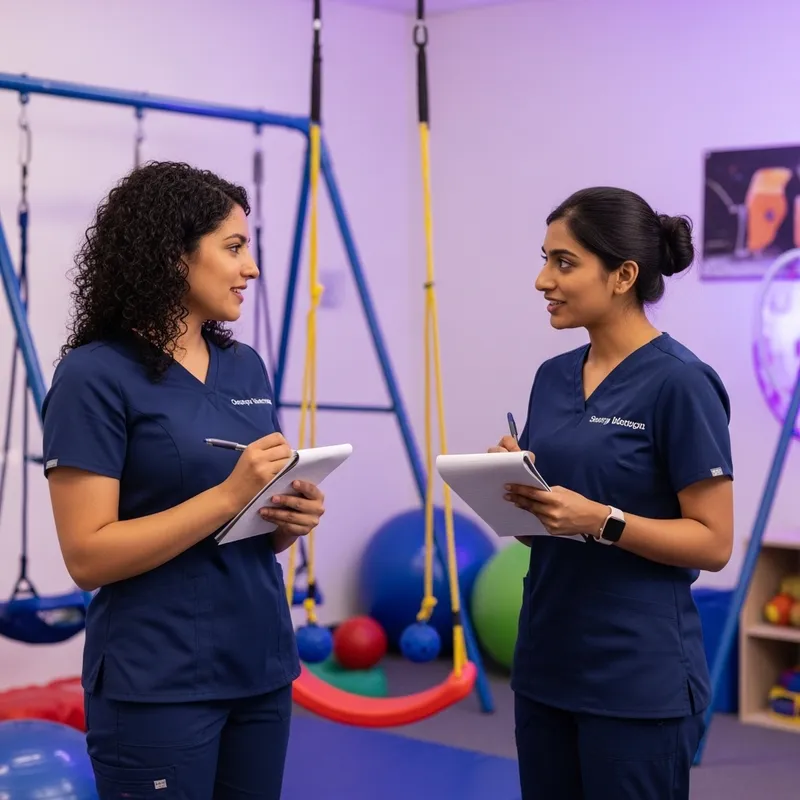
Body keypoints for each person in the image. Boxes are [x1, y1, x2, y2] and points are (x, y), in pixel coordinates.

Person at [41, 161, 324, 800]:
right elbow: (87, 555)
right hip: (158, 681)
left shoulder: (244, 366)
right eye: (233, 247)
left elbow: (242, 529)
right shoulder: (93, 377)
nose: (251, 268)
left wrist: (286, 521)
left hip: (260, 666)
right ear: (174, 256)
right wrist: (227, 494)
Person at [490, 187, 734, 800]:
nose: (543, 279)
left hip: (636, 678)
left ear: (623, 275)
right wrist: (514, 492)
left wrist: (604, 520)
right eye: (544, 258)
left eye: (564, 262)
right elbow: (551, 523)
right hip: (546, 664)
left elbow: (713, 543)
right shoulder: (552, 377)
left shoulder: (682, 384)